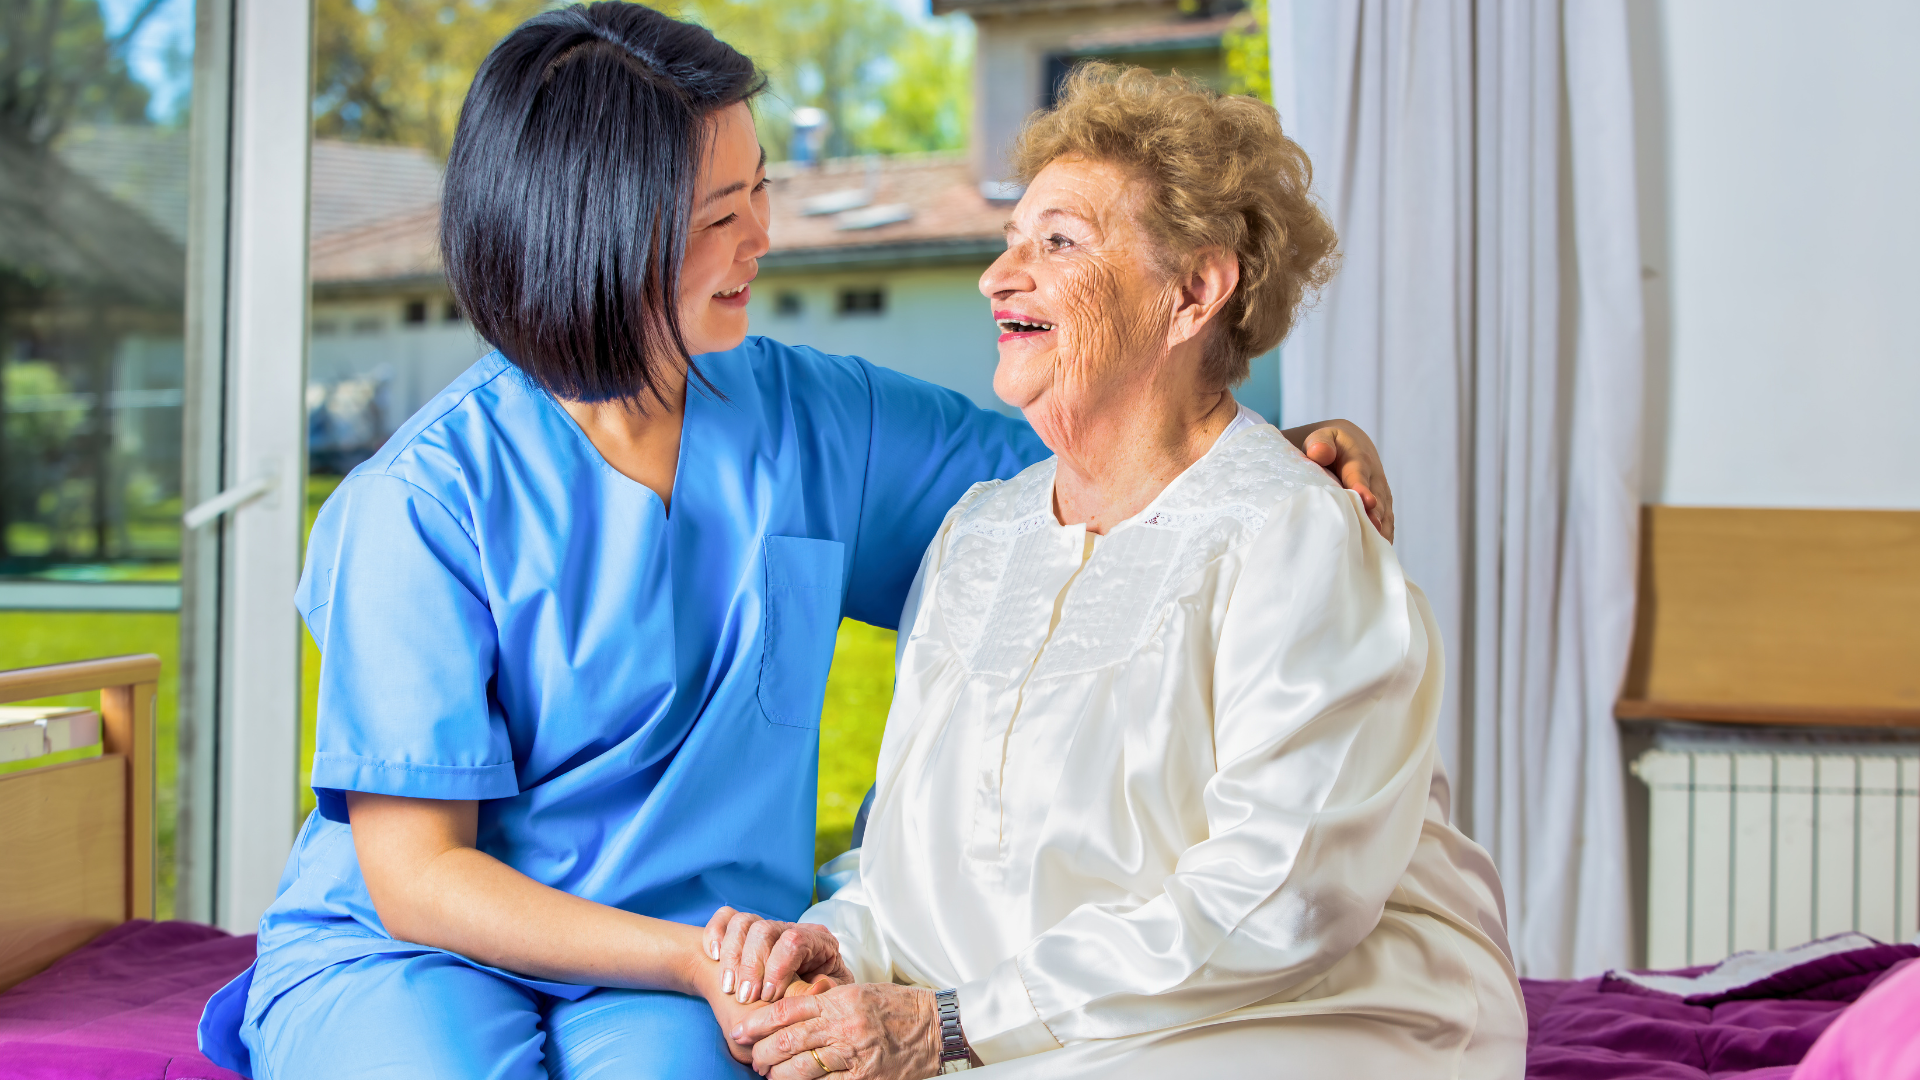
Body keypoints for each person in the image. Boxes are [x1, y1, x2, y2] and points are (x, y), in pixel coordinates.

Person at [194, 8, 1397, 1080]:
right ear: (606, 238)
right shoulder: (422, 502)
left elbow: (1095, 477)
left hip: (702, 966)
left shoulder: (822, 422)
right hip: (427, 955)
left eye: (760, 189)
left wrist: (1260, 449)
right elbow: (417, 878)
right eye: (724, 215)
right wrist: (696, 961)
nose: (765, 235)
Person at [727, 65, 1525, 1079]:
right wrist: (845, 940)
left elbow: (1285, 895)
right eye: (1013, 240)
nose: (996, 276)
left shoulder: (1299, 534)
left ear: (1193, 291)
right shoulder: (981, 531)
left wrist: (954, 1023)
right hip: (1020, 1015)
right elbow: (911, 850)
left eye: (1057, 242)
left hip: (1305, 1009)